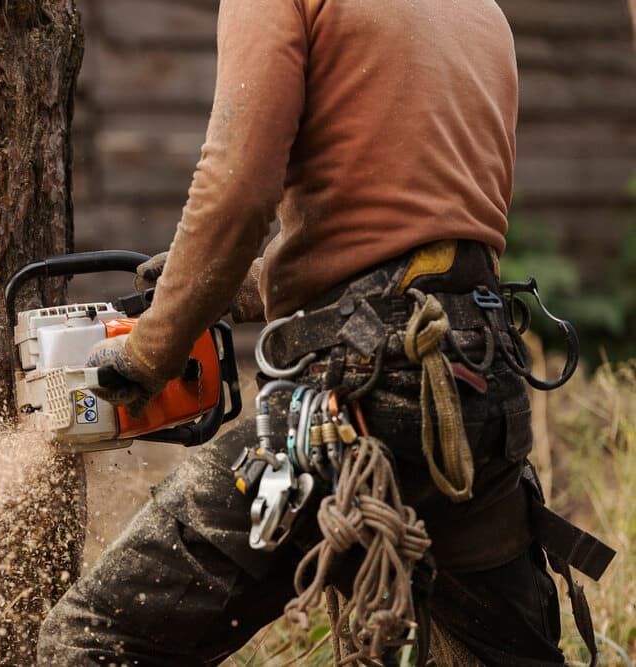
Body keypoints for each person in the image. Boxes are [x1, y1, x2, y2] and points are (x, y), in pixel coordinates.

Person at [37, 1, 593, 664]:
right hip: (478, 385)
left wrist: (150, 349)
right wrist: (212, 289)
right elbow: (404, 234)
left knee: (95, 632)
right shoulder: (480, 12)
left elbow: (237, 191)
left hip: (366, 388)